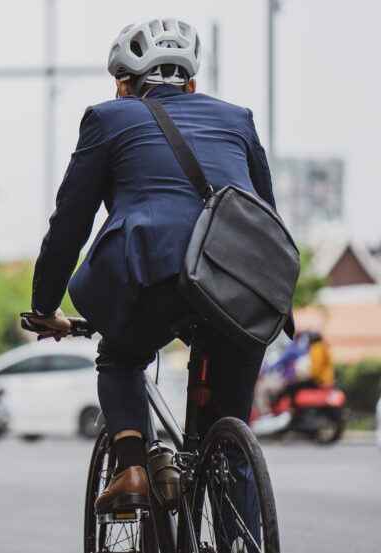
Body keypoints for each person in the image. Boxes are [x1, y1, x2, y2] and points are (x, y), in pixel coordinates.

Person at [23, 17, 291, 525]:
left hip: (154, 273)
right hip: (244, 285)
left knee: (121, 358)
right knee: (229, 439)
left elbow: (70, 225)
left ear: (124, 83)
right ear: (191, 82)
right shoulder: (238, 119)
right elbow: (266, 217)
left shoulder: (109, 118)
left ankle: (131, 468)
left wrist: (44, 308)